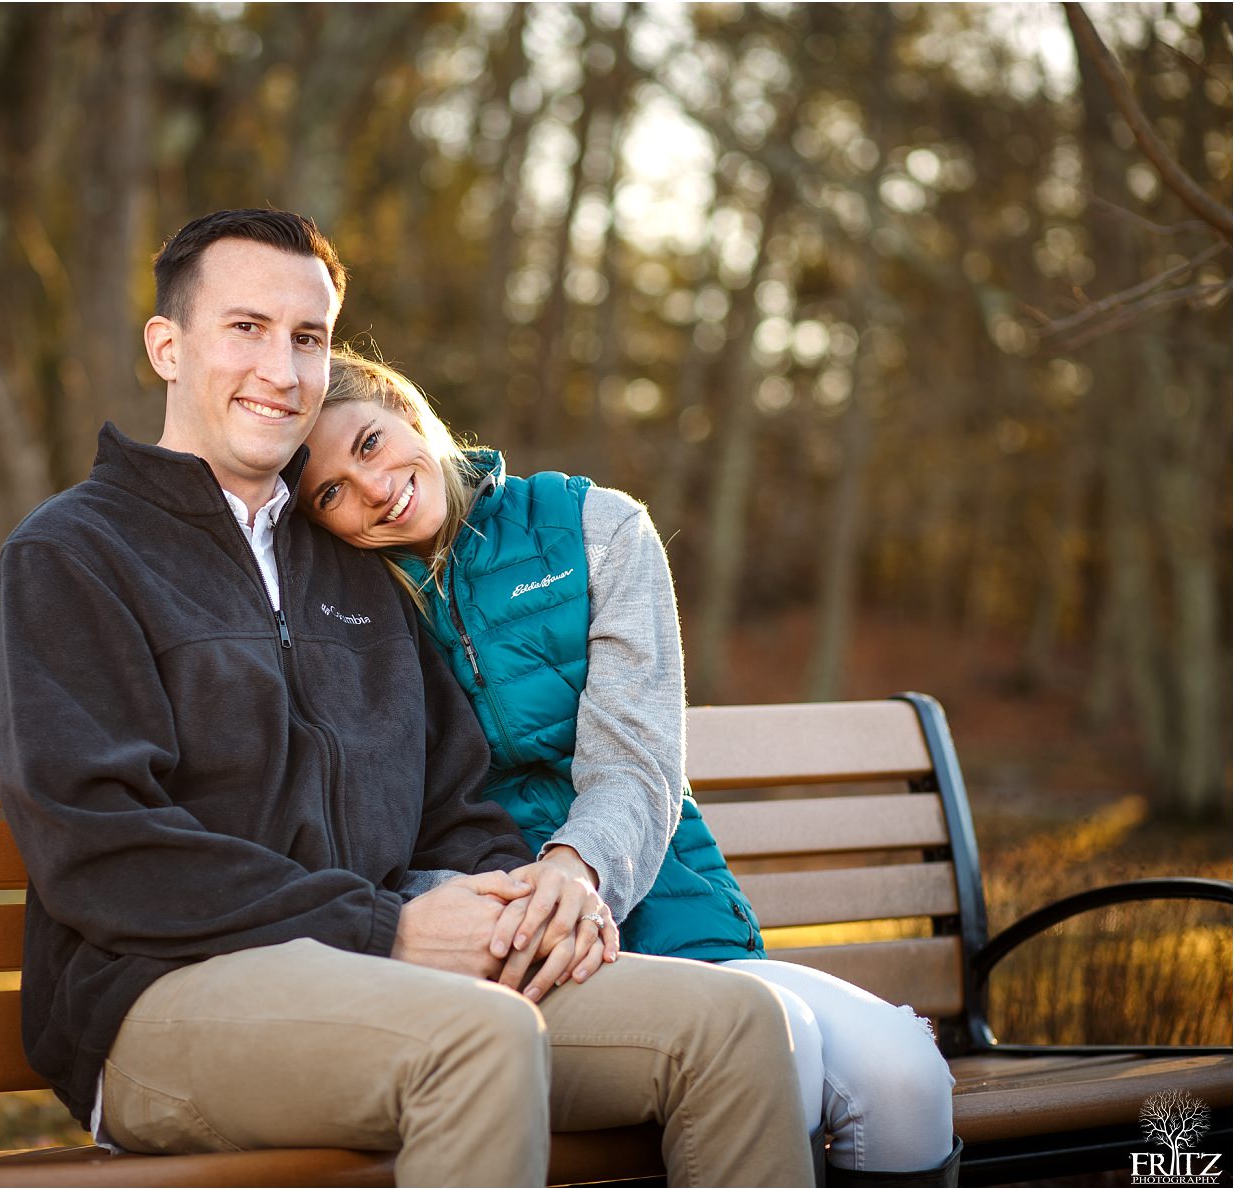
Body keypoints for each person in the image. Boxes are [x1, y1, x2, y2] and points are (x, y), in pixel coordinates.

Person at [0, 208, 816, 1188]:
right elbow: (102, 849)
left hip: (391, 974)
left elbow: (454, 799)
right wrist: (389, 927)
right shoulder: (74, 556)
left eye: (308, 337)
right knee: (479, 1038)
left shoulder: (354, 567)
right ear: (167, 345)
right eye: (246, 327)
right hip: (158, 993)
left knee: (733, 1024)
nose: (282, 370)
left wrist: (514, 905)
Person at [297, 347, 963, 1188]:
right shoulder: (336, 607)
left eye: (367, 445)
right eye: (331, 495)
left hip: (667, 915)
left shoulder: (593, 526)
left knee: (901, 1072)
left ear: (402, 406)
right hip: (505, 952)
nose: (372, 489)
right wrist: (496, 909)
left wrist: (576, 872)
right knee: (770, 1059)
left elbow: (637, 760)